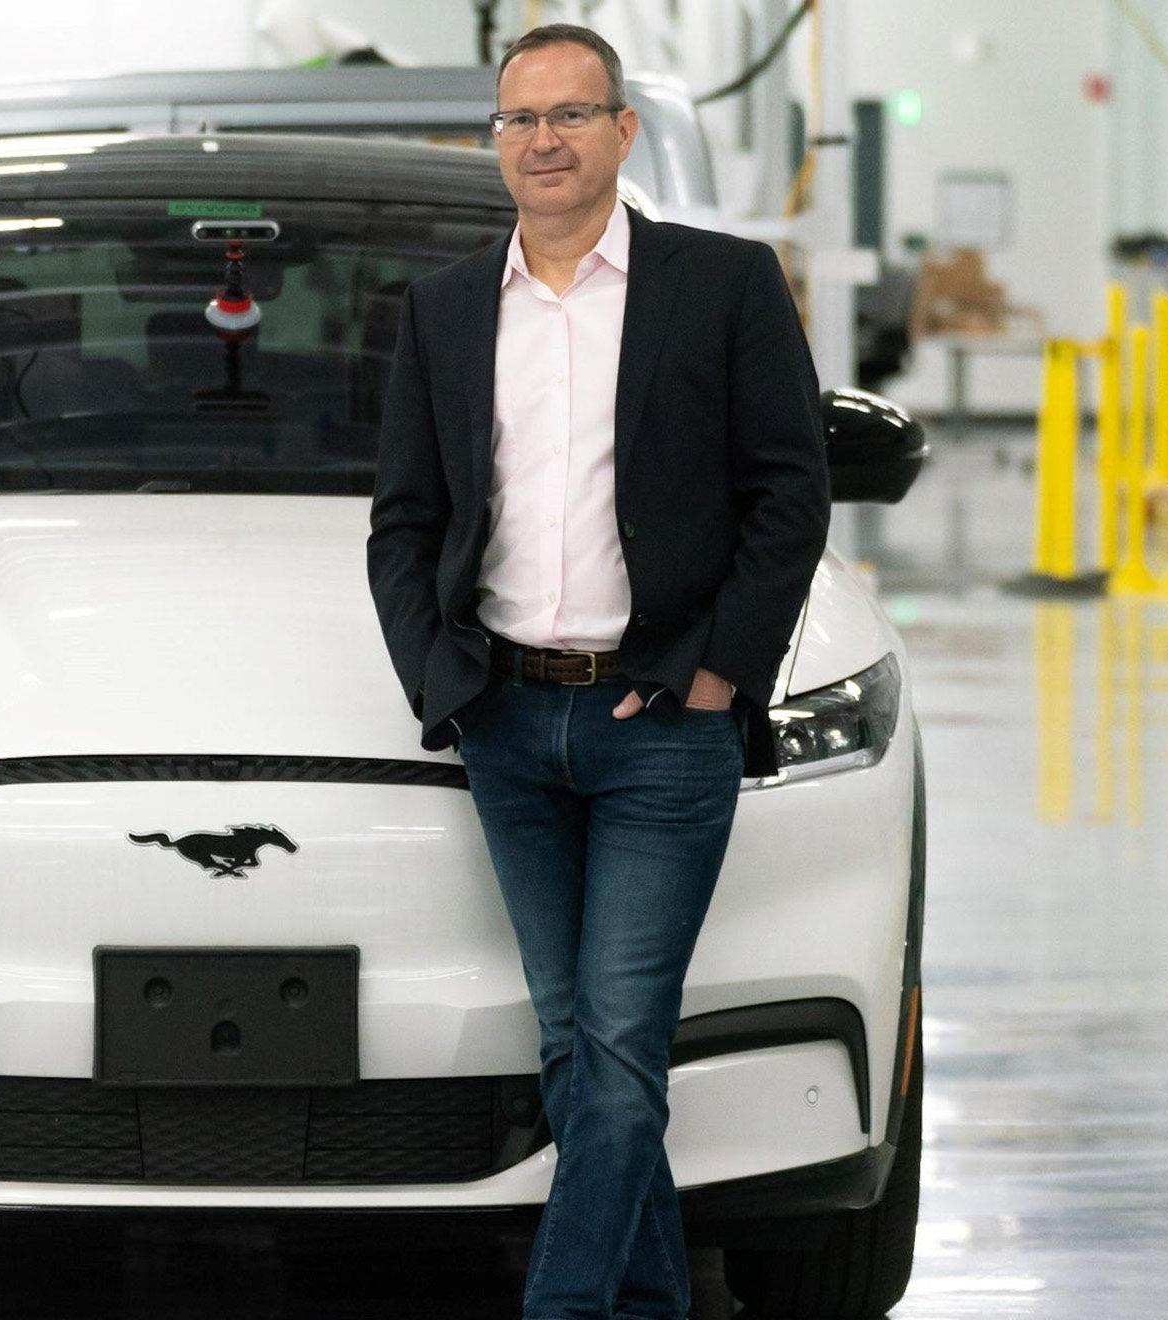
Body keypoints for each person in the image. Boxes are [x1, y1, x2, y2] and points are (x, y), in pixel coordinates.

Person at [364, 23, 831, 1320]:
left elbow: (790, 498)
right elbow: (404, 521)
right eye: (523, 121)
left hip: (662, 732)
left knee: (620, 1048)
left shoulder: (721, 286)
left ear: (625, 132)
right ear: (495, 143)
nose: (547, 140)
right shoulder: (450, 309)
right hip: (509, 724)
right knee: (578, 1049)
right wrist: (441, 683)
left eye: (574, 115)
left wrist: (719, 679)